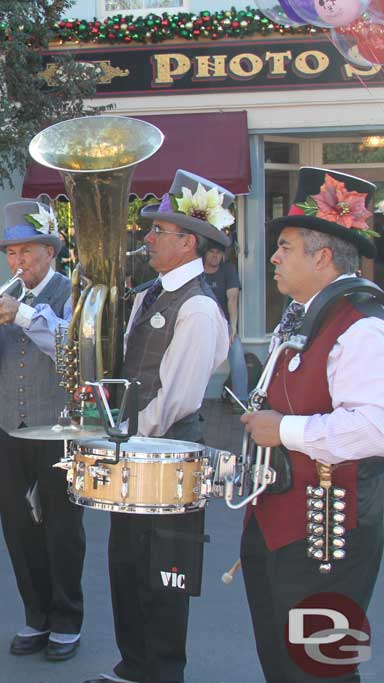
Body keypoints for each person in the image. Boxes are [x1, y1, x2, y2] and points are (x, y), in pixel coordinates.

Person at [239, 167, 384, 683]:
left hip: (330, 534)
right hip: (281, 524)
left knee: (322, 669)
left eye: (285, 246)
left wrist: (284, 431)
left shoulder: (363, 324)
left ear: (322, 256)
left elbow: (374, 428)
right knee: (283, 664)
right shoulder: (306, 313)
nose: (273, 257)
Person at [85, 170, 229, 683]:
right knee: (124, 563)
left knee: (162, 572)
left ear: (188, 241)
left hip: (167, 457)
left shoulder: (198, 307)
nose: (147, 238)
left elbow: (178, 398)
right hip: (133, 450)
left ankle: (162, 672)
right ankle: (133, 666)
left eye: (158, 231)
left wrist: (119, 435)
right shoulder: (147, 296)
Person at [0, 199, 83, 662]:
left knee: (62, 531)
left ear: (50, 252)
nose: (18, 263)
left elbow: (72, 351)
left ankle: (67, 620)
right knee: (19, 528)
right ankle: (36, 617)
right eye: (11, 254)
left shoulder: (72, 293)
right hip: (11, 429)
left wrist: (24, 315)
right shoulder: (5, 297)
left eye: (27, 252)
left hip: (58, 429)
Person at [201, 241, 247, 409]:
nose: (215, 256)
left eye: (218, 253)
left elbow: (232, 298)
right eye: (212, 252)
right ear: (205, 254)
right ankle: (191, 402)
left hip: (223, 324)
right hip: (200, 324)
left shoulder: (228, 270)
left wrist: (233, 327)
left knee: (237, 353)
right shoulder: (197, 272)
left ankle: (241, 400)